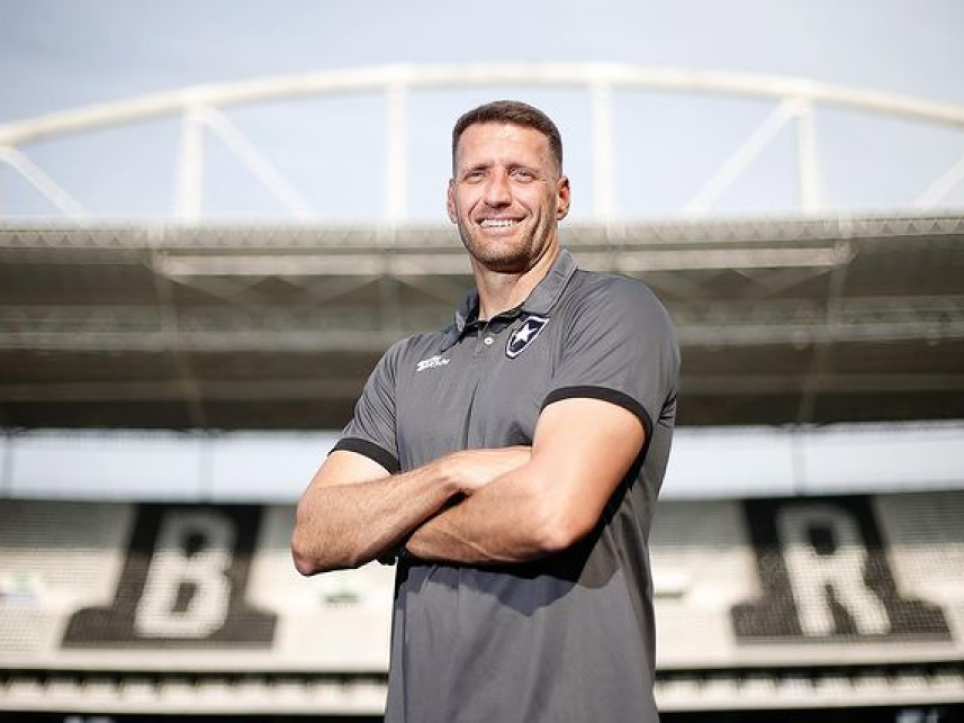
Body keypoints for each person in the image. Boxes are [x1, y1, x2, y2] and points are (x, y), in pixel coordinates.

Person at [292, 99, 679, 722]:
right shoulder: (406, 364)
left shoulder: (613, 312)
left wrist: (390, 533)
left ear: (561, 196)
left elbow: (550, 513)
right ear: (452, 199)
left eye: (521, 174)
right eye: (477, 175)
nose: (497, 194)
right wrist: (453, 472)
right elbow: (315, 537)